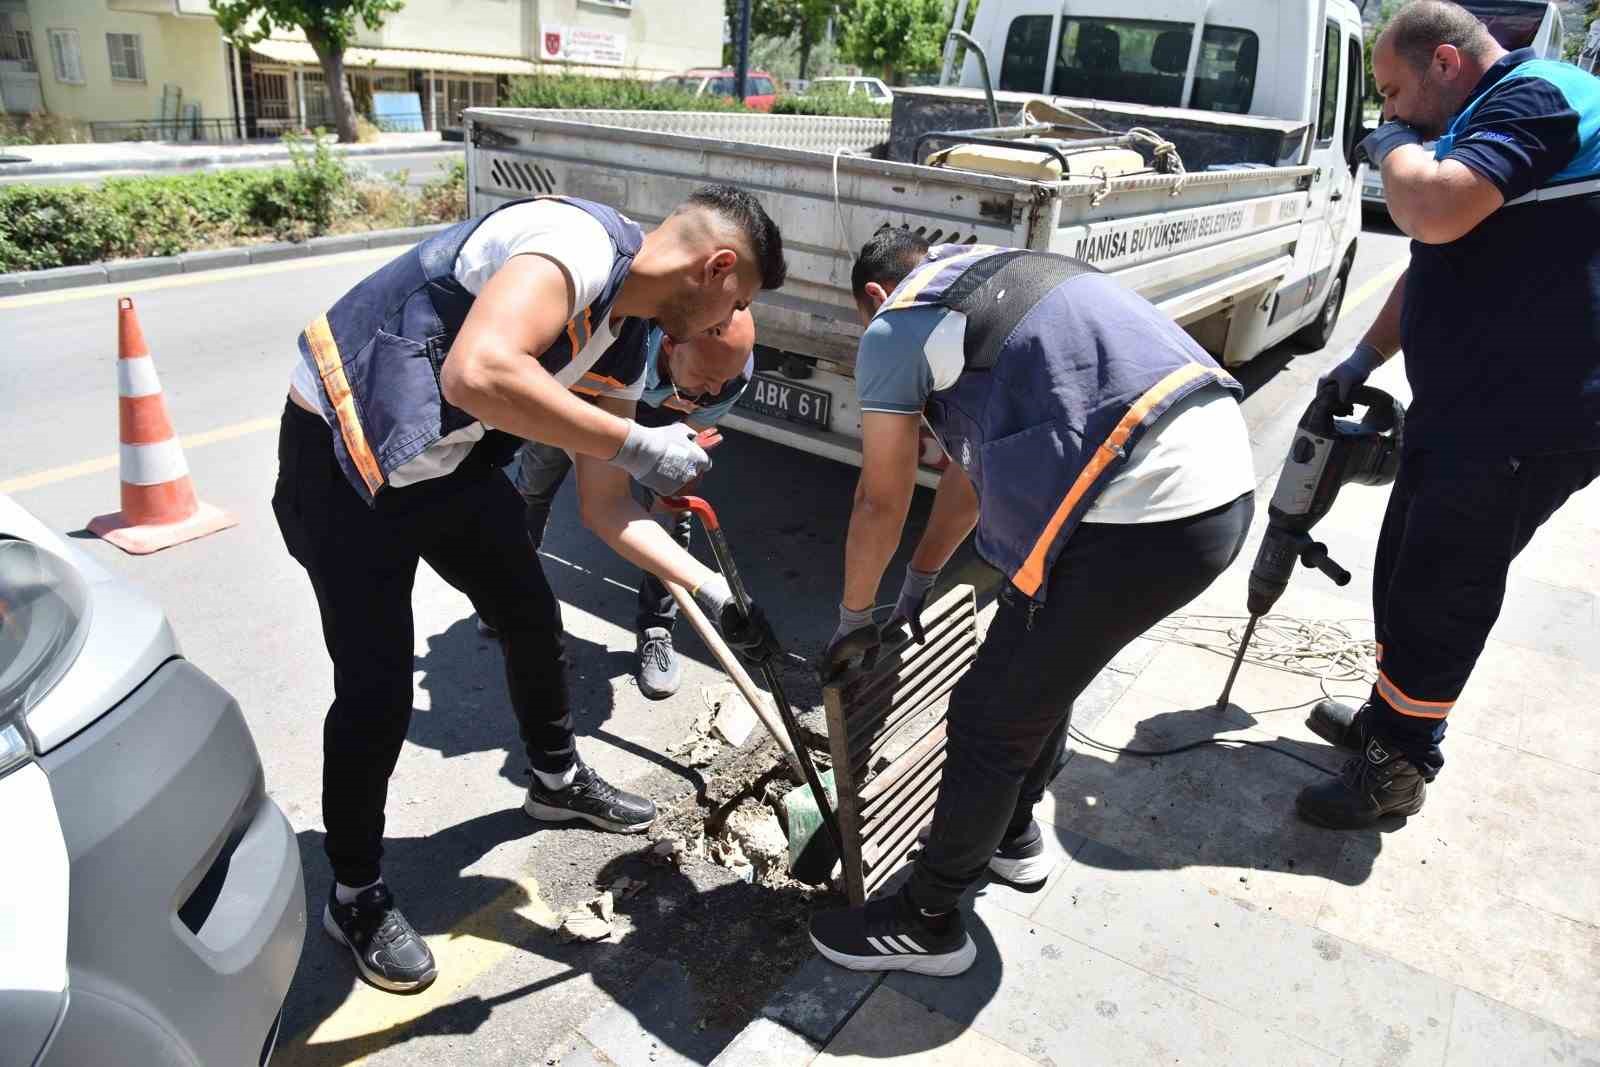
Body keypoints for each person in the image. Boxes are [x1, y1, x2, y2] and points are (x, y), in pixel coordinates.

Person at [272, 187, 785, 993]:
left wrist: (716, 593)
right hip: (346, 459)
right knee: (375, 690)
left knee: (529, 612)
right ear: (717, 267)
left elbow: (607, 505)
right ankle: (356, 890)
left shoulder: (625, 332)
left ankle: (554, 780)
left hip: (444, 462)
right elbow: (478, 371)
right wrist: (634, 440)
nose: (731, 320)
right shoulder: (574, 245)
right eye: (740, 299)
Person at [806, 233, 1256, 977]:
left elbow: (880, 497)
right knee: (1040, 668)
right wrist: (917, 584)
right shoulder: (996, 274)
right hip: (1213, 483)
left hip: (1140, 516)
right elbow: (965, 472)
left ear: (875, 299)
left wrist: (855, 621)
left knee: (989, 715)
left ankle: (928, 919)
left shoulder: (897, 324)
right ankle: (1011, 836)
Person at [1298, 0, 1600, 829]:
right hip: (1469, 406)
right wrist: (1362, 359)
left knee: (1443, 589)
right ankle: (1387, 723)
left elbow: (1429, 211)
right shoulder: (1484, 120)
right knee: (1404, 569)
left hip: (1522, 416)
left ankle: (1398, 768)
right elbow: (1436, 256)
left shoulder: (1537, 97)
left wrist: (1392, 150)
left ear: (1444, 62)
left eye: (1393, 92)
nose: (1388, 114)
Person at [485, 309, 757, 699]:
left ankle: (656, 629)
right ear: (668, 345)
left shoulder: (728, 377)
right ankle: (511, 601)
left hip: (659, 424)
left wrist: (671, 482)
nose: (714, 391)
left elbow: (686, 448)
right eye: (704, 378)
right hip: (577, 405)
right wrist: (599, 455)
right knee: (531, 495)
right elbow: (600, 498)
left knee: (671, 519)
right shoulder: (616, 335)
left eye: (723, 380)